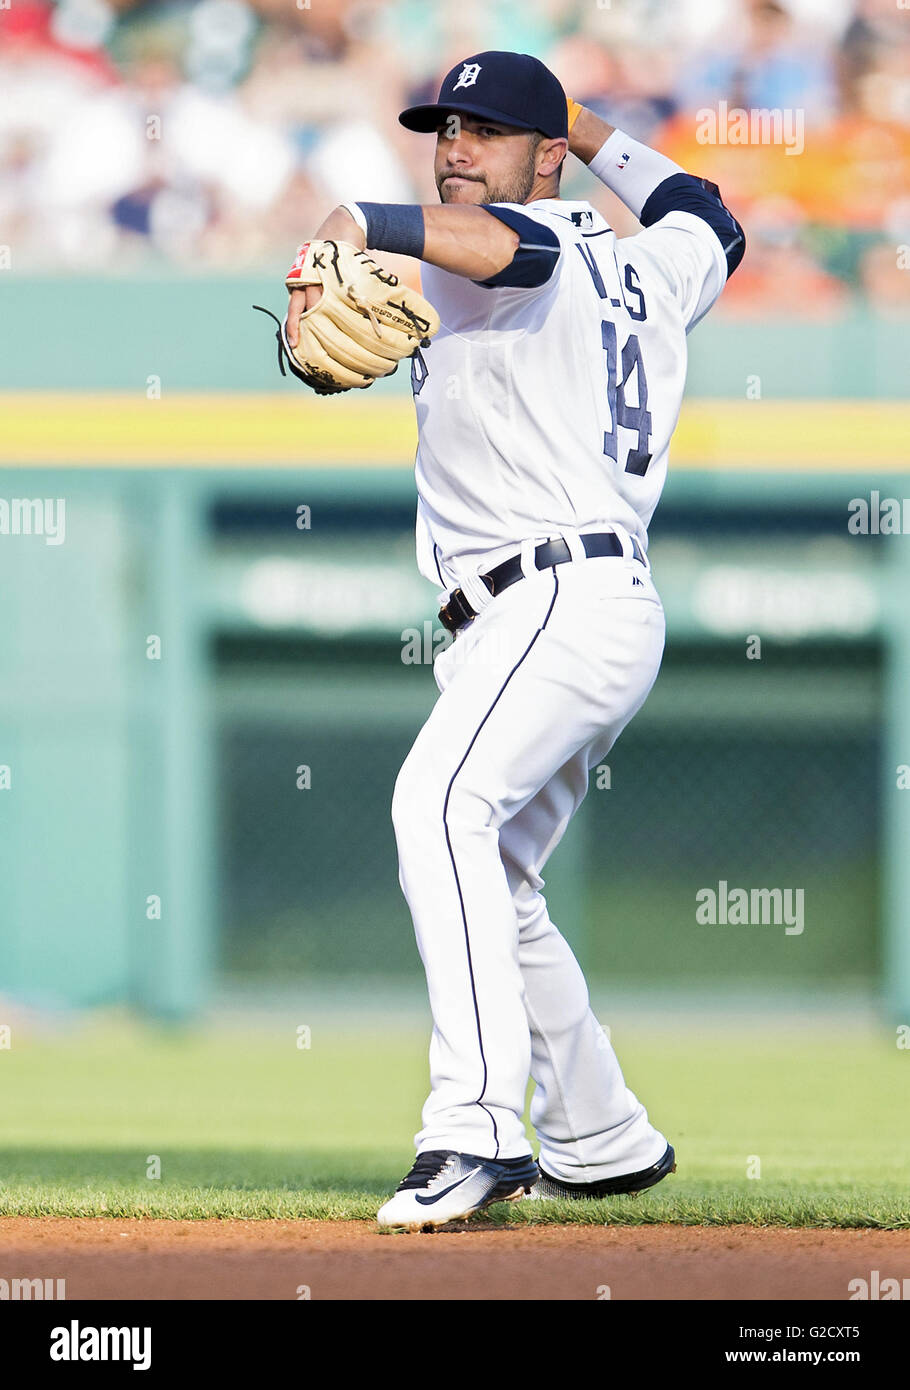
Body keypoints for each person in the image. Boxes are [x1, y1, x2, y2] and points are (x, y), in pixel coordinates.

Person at [285, 50, 745, 1232]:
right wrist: (590, 126)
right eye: (447, 127)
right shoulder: (656, 262)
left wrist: (361, 220)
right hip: (562, 610)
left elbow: (523, 250)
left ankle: (475, 1131)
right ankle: (599, 1136)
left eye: (487, 131)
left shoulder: (518, 238)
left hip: (553, 596)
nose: (455, 148)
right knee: (495, 872)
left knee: (437, 808)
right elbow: (711, 216)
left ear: (539, 159)